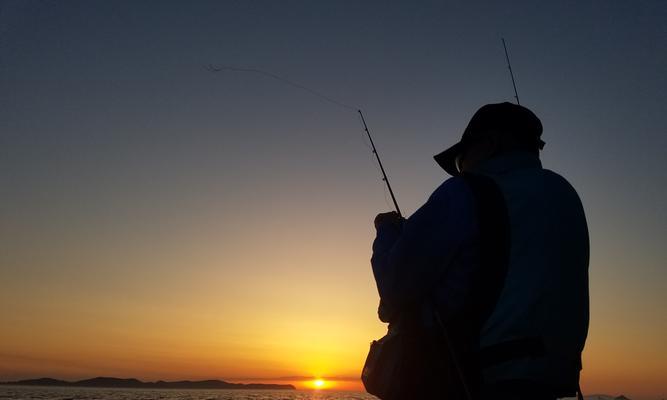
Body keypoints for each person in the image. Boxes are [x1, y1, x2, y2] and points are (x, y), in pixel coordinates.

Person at [371, 102, 589, 400]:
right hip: (550, 384)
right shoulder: (565, 195)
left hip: (470, 383)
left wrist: (386, 231)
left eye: (461, 160)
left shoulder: (464, 191)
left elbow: (395, 287)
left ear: (491, 143)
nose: (461, 170)